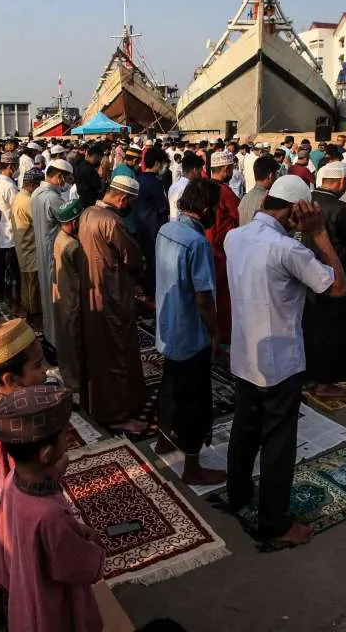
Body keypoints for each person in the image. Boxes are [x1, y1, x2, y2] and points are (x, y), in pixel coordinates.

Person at [224, 175, 346, 547]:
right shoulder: (288, 249)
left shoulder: (236, 237)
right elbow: (337, 287)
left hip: (247, 354)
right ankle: (274, 524)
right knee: (278, 443)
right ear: (297, 210)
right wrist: (320, 234)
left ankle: (238, 493)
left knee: (245, 429)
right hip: (280, 362)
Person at [0, 385, 105, 631]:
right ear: (45, 453)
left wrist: (73, 528)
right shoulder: (49, 514)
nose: (68, 438)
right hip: (52, 608)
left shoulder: (12, 480)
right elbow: (76, 565)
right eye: (64, 434)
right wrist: (93, 549)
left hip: (26, 595)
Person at [0, 319, 49, 622]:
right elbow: (30, 476)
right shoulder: (14, 423)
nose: (45, 373)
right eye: (38, 367)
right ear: (11, 378)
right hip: (14, 521)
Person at [154, 180, 225, 486]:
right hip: (189, 331)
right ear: (207, 209)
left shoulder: (166, 230)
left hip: (168, 326)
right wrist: (215, 331)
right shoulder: (198, 244)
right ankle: (192, 467)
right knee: (195, 400)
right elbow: (203, 297)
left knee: (170, 385)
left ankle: (163, 439)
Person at [79, 175, 146, 435]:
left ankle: (98, 403)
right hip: (111, 296)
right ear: (123, 198)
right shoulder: (111, 221)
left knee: (98, 352)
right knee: (116, 354)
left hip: (92, 294)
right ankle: (118, 415)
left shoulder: (87, 213)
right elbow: (132, 257)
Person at [303, 162, 346, 399]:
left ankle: (310, 376)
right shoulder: (340, 209)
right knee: (334, 327)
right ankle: (324, 382)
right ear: (341, 182)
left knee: (310, 324)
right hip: (334, 274)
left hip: (306, 273)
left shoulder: (306, 201)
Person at [32, 160, 74, 356]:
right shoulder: (52, 198)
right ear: (60, 177)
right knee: (56, 299)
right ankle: (58, 343)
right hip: (53, 252)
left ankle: (50, 338)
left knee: (48, 299)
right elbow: (68, 222)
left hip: (42, 249)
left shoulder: (36, 194)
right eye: (66, 179)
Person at [51, 200, 86, 403]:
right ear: (73, 223)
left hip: (60, 296)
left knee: (65, 340)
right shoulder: (72, 246)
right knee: (74, 342)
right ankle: (76, 384)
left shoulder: (59, 237)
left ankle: (69, 377)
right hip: (71, 299)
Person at [206, 151, 240, 345]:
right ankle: (224, 335)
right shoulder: (225, 192)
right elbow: (239, 214)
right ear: (226, 169)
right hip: (221, 250)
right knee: (223, 295)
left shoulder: (204, 186)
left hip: (206, 244)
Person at [134, 149, 170, 300]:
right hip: (154, 227)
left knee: (147, 260)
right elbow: (163, 208)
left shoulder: (139, 179)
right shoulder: (155, 183)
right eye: (162, 164)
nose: (163, 168)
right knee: (154, 261)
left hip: (141, 225)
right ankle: (153, 293)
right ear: (156, 163)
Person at [11, 168, 43, 318]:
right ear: (33, 185)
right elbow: (39, 222)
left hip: (23, 246)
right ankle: (33, 316)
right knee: (33, 286)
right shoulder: (27, 200)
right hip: (30, 248)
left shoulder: (19, 196)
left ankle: (29, 313)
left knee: (27, 284)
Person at [0, 153, 21, 305]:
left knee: (7, 268)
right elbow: (17, 209)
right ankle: (13, 301)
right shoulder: (10, 186)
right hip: (10, 232)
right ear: (11, 167)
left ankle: (8, 298)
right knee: (12, 270)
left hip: (3, 229)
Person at [238, 155, 277, 226]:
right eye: (276, 175)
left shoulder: (245, 198)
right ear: (270, 176)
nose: (276, 178)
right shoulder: (269, 200)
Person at [168, 151, 204, 220]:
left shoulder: (173, 187)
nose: (201, 174)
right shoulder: (190, 188)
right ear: (195, 170)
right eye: (200, 170)